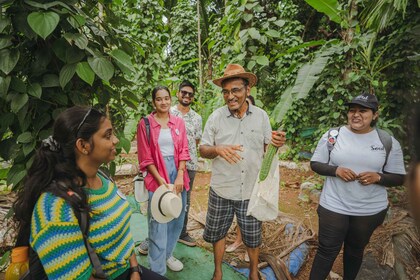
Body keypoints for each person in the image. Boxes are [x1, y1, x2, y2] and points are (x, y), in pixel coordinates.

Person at [13, 106, 147, 279]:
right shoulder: (55, 210)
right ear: (83, 145)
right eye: (107, 135)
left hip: (128, 270)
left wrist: (135, 269)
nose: (115, 140)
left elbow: (124, 232)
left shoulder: (102, 177)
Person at [199, 64, 286, 280]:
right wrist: (217, 149)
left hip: (250, 191)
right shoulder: (216, 117)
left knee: (252, 236)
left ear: (247, 90)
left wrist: (277, 143)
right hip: (222, 189)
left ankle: (253, 272)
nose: (230, 96)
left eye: (236, 90)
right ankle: (218, 271)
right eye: (226, 92)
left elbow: (268, 147)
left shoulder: (261, 117)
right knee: (217, 233)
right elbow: (203, 149)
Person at [309, 92, 406, 280]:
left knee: (355, 249)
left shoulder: (387, 142)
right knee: (327, 249)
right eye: (352, 110)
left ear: (375, 115)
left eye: (363, 111)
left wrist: (378, 176)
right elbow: (315, 164)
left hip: (369, 209)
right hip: (334, 204)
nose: (356, 115)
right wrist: (335, 170)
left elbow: (399, 177)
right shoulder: (333, 135)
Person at [137, 86, 190, 275]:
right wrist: (161, 181)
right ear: (154, 102)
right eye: (159, 99)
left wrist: (180, 174)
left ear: (170, 99)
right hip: (156, 174)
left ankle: (167, 254)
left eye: (166, 98)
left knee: (176, 216)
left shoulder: (178, 122)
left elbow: (184, 149)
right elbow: (146, 157)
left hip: (177, 173)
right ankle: (157, 270)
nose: (163, 102)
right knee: (158, 221)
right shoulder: (145, 124)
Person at [170, 80, 203, 247]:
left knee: (185, 200)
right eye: (184, 92)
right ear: (178, 93)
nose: (187, 96)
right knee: (165, 196)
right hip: (169, 162)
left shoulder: (197, 118)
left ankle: (182, 232)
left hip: (189, 165)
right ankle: (160, 233)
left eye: (190, 94)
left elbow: (195, 141)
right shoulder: (168, 112)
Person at [225, 95, 256, 262]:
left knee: (253, 215)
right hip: (234, 177)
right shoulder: (230, 124)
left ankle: (249, 247)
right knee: (240, 214)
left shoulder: (258, 122)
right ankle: (238, 240)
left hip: (253, 178)